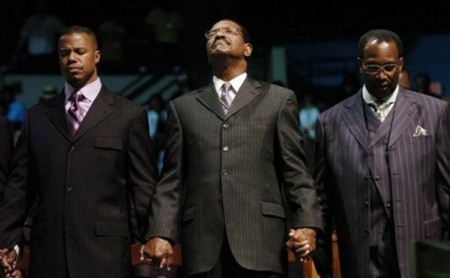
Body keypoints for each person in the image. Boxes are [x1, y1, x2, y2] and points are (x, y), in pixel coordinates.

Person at [141, 19, 323, 277]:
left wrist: (308, 223)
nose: (218, 35)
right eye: (212, 33)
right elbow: (172, 178)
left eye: (228, 31)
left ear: (247, 49)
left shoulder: (278, 100)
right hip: (204, 244)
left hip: (262, 242)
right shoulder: (183, 107)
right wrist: (160, 231)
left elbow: (296, 171)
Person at [0, 25, 159, 277]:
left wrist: (155, 236)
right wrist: (8, 240)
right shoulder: (36, 117)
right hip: (49, 254)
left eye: (79, 51)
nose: (71, 58)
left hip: (106, 255)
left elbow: (143, 186)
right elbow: (19, 186)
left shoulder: (128, 115)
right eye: (64, 53)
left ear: (96, 56)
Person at [313, 29, 450, 277]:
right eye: (373, 67)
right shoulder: (330, 121)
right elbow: (323, 199)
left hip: (421, 244)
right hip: (360, 250)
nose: (382, 75)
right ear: (360, 66)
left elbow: (445, 186)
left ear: (401, 64)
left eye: (389, 67)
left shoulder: (434, 112)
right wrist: (320, 254)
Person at [10, 0, 66, 73]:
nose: (41, 8)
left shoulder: (52, 20)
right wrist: (16, 53)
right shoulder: (31, 21)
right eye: (39, 6)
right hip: (32, 56)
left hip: (47, 56)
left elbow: (65, 33)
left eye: (42, 5)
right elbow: (23, 38)